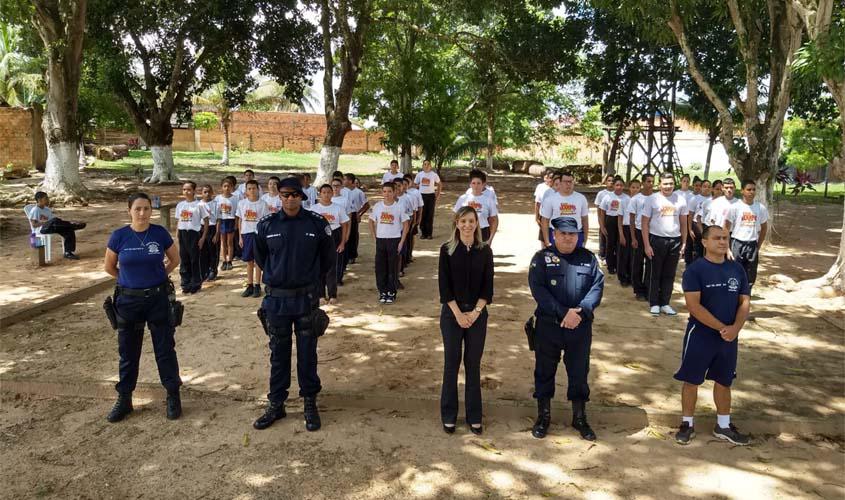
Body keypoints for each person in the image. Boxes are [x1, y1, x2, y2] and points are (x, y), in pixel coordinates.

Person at [252, 177, 335, 432]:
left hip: (305, 299)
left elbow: (328, 258)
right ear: (279, 196)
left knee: (308, 354)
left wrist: (308, 279)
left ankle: (309, 402)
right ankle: (277, 403)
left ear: (302, 197)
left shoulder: (317, 223)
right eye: (285, 194)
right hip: (277, 300)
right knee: (278, 354)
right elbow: (261, 257)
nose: (290, 199)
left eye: (295, 195)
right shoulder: (266, 224)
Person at [103, 192, 183, 422]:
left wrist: (159, 276)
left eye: (146, 208)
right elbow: (109, 267)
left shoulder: (159, 233)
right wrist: (128, 281)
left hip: (157, 299)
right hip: (128, 302)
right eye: (137, 208)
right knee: (128, 352)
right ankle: (124, 399)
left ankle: (173, 395)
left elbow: (175, 260)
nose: (142, 213)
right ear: (129, 210)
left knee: (165, 349)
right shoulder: (119, 236)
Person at [528, 216, 604, 441]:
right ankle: (543, 416)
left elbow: (597, 288)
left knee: (579, 372)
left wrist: (580, 312)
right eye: (563, 234)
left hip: (579, 327)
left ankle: (579, 417)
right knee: (544, 371)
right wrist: (563, 313)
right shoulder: (542, 258)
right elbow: (539, 290)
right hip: (549, 326)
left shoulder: (588, 259)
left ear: (578, 236)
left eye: (572, 234)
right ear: (554, 235)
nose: (568, 238)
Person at [673, 225, 751, 446]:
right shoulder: (695, 270)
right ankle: (687, 424)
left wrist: (735, 328)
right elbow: (693, 306)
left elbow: (744, 301)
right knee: (691, 380)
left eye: (725, 238)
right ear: (705, 242)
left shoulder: (737, 269)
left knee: (724, 381)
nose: (723, 242)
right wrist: (722, 328)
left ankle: (723, 425)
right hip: (701, 335)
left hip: (729, 337)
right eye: (717, 238)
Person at [438, 206, 494, 435]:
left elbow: (488, 288)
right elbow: (444, 287)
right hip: (452, 315)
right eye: (463, 221)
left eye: (471, 221)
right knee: (451, 364)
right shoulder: (446, 250)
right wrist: (459, 314)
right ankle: (448, 414)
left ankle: (474, 416)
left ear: (477, 223)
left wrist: (475, 313)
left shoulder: (485, 251)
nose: (467, 225)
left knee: (473, 364)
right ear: (457, 223)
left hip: (477, 316)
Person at [642, 173, 688, 316]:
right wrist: (647, 245)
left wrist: (684, 243)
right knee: (655, 273)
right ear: (659, 184)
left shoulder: (680, 200)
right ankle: (654, 303)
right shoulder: (652, 199)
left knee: (669, 274)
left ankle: (665, 303)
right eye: (665, 183)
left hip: (675, 241)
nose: (668, 186)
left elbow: (683, 223)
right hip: (656, 240)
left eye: (671, 183)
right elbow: (644, 223)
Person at [369, 182, 410, 304]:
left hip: (394, 240)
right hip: (381, 240)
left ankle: (391, 292)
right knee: (380, 267)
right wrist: (374, 237)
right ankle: (383, 291)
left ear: (394, 192)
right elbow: (371, 221)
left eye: (389, 191)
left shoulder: (399, 207)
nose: (387, 194)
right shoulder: (378, 206)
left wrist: (401, 242)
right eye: (384, 191)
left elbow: (406, 224)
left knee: (392, 267)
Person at [724, 180, 768, 287]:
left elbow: (764, 228)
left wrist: (758, 246)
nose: (751, 192)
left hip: (752, 244)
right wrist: (727, 249)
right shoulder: (734, 207)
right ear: (742, 191)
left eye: (753, 189)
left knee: (750, 275)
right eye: (748, 189)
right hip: (737, 243)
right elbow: (725, 228)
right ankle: (733, 294)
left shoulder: (760, 208)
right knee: (734, 273)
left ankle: (746, 294)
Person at [311, 184, 349, 304]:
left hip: (334, 235)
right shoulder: (313, 209)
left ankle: (333, 294)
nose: (326, 195)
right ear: (320, 194)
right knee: (319, 267)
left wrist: (342, 242)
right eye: (324, 192)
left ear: (332, 193)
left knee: (332, 267)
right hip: (319, 237)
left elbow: (344, 225)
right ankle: (321, 295)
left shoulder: (338, 208)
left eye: (329, 192)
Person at [27, 191, 86, 260]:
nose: (48, 200)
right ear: (39, 200)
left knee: (68, 229)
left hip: (51, 227)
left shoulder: (47, 209)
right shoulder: (35, 210)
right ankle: (72, 225)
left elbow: (54, 221)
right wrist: (45, 223)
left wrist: (52, 222)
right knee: (55, 221)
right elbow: (34, 225)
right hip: (41, 229)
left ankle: (68, 253)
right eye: (46, 198)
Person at [175, 181, 210, 294]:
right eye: (184, 189)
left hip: (194, 234)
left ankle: (196, 283)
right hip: (183, 233)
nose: (186, 192)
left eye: (189, 190)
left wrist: (203, 238)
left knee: (195, 259)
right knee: (184, 259)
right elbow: (179, 221)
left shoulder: (199, 205)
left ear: (194, 191)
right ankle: (185, 283)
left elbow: (206, 221)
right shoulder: (180, 205)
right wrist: (177, 235)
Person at [539, 171, 589, 248]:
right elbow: (545, 220)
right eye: (566, 182)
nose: (568, 184)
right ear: (560, 183)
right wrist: (547, 241)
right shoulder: (550, 199)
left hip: (576, 234)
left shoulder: (581, 198)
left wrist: (585, 239)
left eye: (570, 182)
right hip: (557, 234)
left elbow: (585, 219)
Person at [237, 180, 270, 298]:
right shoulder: (242, 203)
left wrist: (264, 237)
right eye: (249, 188)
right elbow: (240, 220)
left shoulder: (263, 204)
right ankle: (249, 285)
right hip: (246, 234)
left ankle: (257, 285)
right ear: (246, 190)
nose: (252, 191)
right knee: (249, 261)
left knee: (257, 261)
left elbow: (265, 221)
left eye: (254, 188)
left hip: (258, 235)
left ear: (258, 189)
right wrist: (240, 236)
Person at [454, 170, 499, 244]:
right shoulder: (462, 199)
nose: (476, 186)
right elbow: (455, 217)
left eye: (478, 183)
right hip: (466, 231)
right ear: (470, 184)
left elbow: (494, 220)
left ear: (483, 184)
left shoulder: (489, 200)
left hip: (483, 232)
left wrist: (490, 239)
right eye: (473, 183)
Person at [629, 174, 653, 301]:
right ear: (643, 183)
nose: (651, 184)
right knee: (638, 262)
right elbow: (632, 219)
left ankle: (648, 288)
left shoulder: (656, 198)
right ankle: (638, 290)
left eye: (652, 181)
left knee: (650, 262)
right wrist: (633, 237)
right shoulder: (636, 199)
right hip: (639, 232)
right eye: (648, 181)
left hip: (652, 232)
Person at [597, 177, 627, 275]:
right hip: (610, 220)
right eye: (617, 185)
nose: (619, 187)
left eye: (621, 185)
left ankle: (619, 265)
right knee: (610, 244)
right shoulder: (607, 197)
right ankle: (610, 266)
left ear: (624, 186)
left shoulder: (627, 198)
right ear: (614, 186)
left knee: (620, 245)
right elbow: (602, 212)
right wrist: (602, 226)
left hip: (622, 222)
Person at [343, 173, 369, 264]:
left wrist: (359, 214)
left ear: (350, 181)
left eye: (345, 179)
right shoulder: (342, 191)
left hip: (353, 214)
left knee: (353, 235)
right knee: (344, 233)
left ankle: (352, 255)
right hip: (344, 213)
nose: (343, 181)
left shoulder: (359, 192)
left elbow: (366, 205)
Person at [215, 178, 239, 272]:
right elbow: (216, 212)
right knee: (223, 242)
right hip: (221, 221)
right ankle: (224, 260)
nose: (227, 188)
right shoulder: (218, 198)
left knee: (230, 242)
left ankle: (230, 261)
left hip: (231, 220)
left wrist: (236, 223)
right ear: (221, 187)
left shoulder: (235, 198)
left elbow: (237, 212)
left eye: (229, 186)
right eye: (225, 186)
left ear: (232, 187)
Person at [617, 179, 638, 287]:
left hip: (637, 229)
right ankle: (623, 277)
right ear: (629, 188)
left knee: (634, 255)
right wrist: (621, 234)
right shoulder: (624, 201)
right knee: (624, 254)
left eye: (637, 187)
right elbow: (620, 218)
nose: (635, 189)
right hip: (626, 228)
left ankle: (632, 277)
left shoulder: (642, 200)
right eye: (633, 187)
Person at [415, 159, 442, 239]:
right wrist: (417, 193)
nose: (426, 166)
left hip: (431, 196)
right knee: (422, 214)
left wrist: (438, 194)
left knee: (430, 215)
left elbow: (440, 184)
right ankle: (423, 233)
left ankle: (429, 234)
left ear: (430, 166)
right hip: (421, 196)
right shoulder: (419, 175)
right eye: (425, 164)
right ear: (422, 166)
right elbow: (415, 184)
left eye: (428, 164)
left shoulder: (434, 175)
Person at [198, 185, 219, 282]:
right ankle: (204, 271)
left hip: (212, 228)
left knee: (213, 251)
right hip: (201, 228)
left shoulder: (216, 204)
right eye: (205, 192)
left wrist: (217, 234)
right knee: (203, 251)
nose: (207, 194)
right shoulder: (198, 205)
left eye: (209, 192)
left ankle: (213, 270)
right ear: (201, 193)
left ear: (212, 193)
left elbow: (218, 220)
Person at [533, 170, 555, 249]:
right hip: (544, 216)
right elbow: (537, 203)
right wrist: (537, 217)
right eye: (550, 178)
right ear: (547, 178)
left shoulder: (559, 189)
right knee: (543, 237)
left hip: (555, 217)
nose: (551, 180)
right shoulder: (541, 187)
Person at [595, 174, 615, 260]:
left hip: (613, 218)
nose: (611, 182)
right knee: (603, 236)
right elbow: (599, 210)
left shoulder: (617, 194)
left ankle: (611, 256)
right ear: (606, 182)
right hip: (604, 217)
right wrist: (601, 223)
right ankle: (602, 255)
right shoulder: (601, 194)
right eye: (609, 180)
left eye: (613, 181)